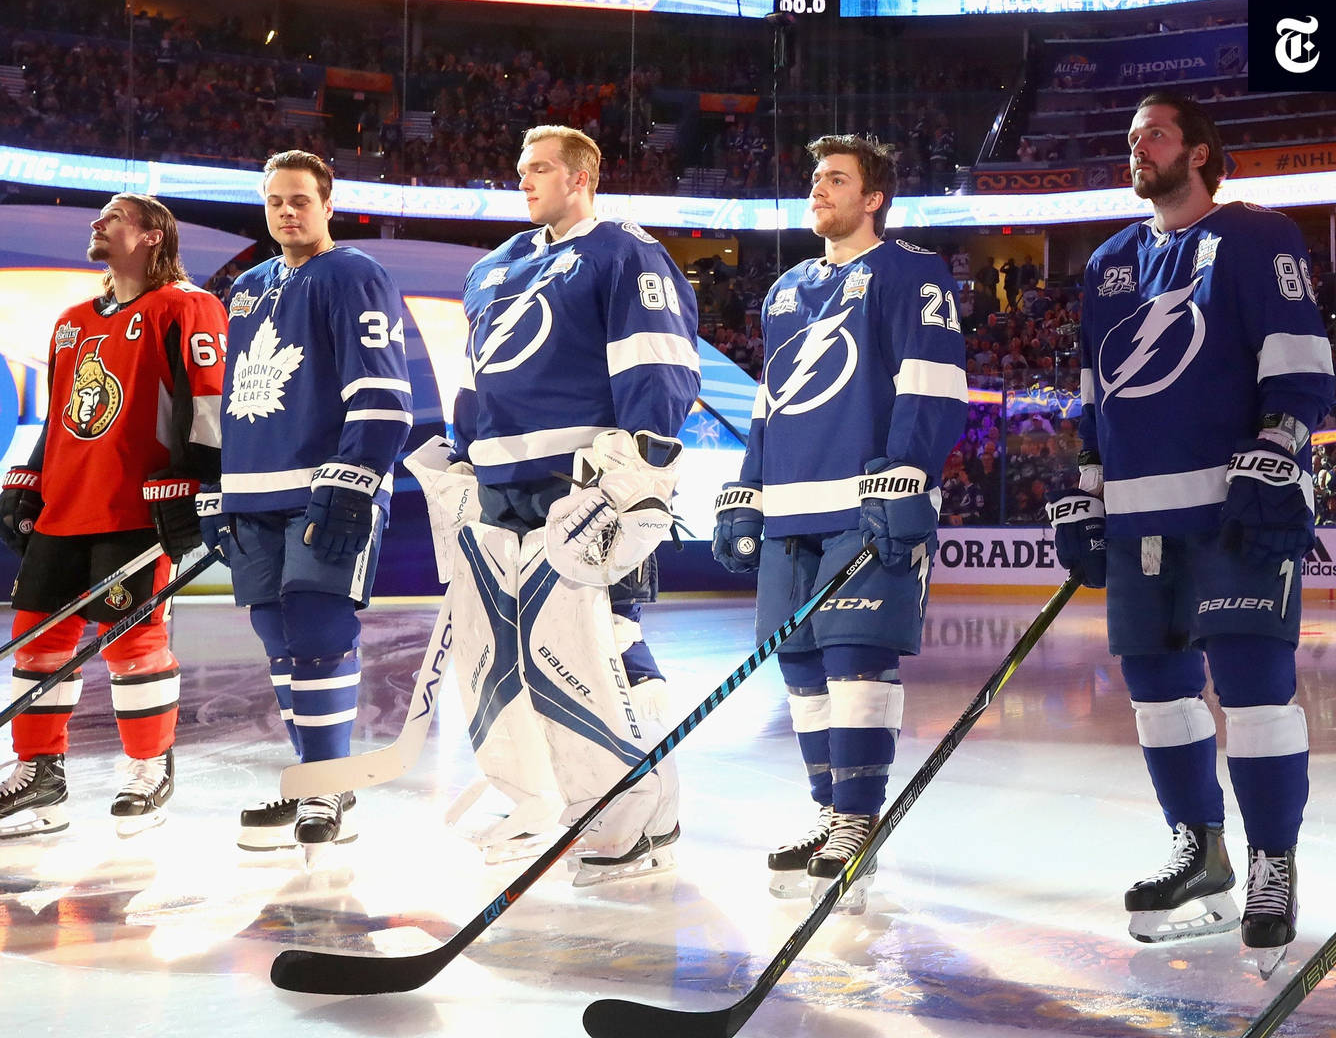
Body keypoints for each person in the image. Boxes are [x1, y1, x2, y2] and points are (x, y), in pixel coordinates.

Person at [1046, 92, 1333, 970]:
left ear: (1200, 152)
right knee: (1159, 695)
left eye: (1156, 134)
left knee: (1252, 689)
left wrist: (1282, 446)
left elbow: (1298, 359)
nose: (1138, 147)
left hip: (1231, 506)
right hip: (1138, 514)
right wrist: (1089, 488)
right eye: (1131, 138)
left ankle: (1271, 862)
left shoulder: (1256, 238)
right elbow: (1099, 390)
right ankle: (1197, 849)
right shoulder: (1108, 263)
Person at [420, 124, 699, 883]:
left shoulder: (623, 251)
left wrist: (635, 480)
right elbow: (477, 379)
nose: (525, 181)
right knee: (508, 655)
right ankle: (546, 799)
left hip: (579, 487)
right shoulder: (495, 269)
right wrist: (462, 457)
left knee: (603, 642)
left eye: (540, 169)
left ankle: (643, 810)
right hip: (499, 488)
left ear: (582, 177)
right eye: (520, 170)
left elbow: (660, 370)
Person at [711, 134, 966, 916]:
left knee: (857, 662)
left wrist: (910, 470)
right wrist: (746, 486)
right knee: (803, 675)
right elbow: (768, 402)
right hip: (789, 507)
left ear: (875, 197)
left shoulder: (912, 274)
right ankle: (829, 815)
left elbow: (931, 383)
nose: (818, 189)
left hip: (865, 499)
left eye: (836, 179)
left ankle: (857, 819)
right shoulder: (785, 290)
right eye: (815, 176)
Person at [203, 150, 412, 859]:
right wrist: (216, 488)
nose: (286, 212)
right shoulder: (248, 289)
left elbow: (383, 391)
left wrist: (358, 476)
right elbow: (231, 401)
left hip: (326, 484)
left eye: (299, 200)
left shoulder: (354, 273)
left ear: (327, 203)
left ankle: (330, 786)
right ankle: (309, 780)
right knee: (276, 634)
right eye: (275, 202)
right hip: (254, 489)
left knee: (319, 624)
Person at [0, 194, 226, 839]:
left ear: (153, 235)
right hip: (63, 509)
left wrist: (196, 487)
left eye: (113, 218)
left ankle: (148, 767)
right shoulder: (73, 320)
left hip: (136, 510)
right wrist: (28, 476)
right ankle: (39, 777)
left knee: (133, 643)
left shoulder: (187, 306)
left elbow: (210, 406)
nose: (96, 225)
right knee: (38, 643)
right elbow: (63, 413)